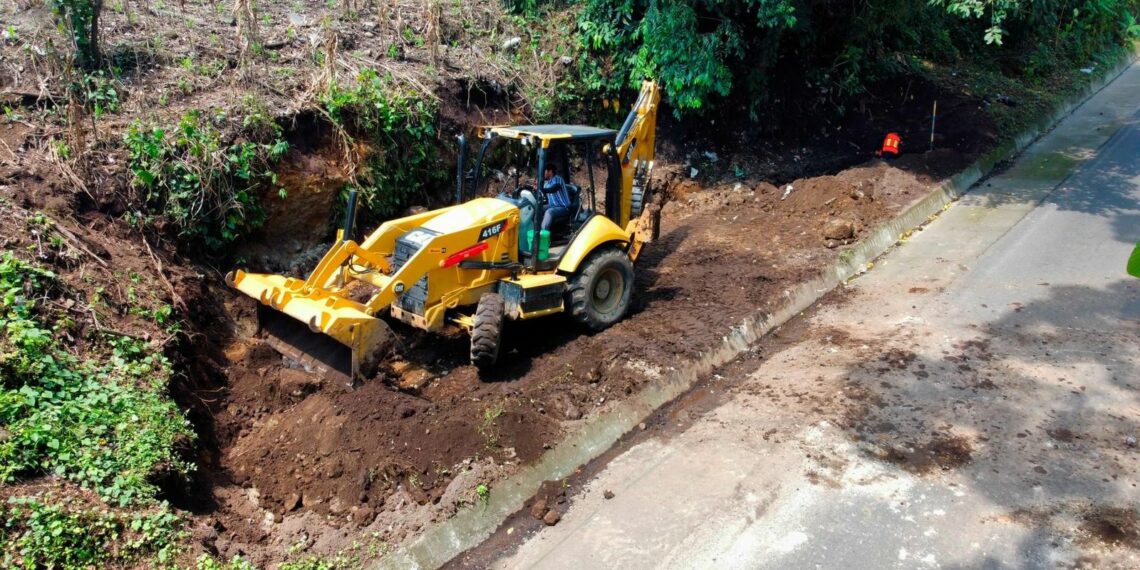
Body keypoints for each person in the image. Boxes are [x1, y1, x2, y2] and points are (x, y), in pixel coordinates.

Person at [540, 165, 573, 231]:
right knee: (538, 208)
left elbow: (553, 189)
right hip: (553, 205)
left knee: (549, 212)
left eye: (545, 171)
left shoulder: (558, 179)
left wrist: (542, 189)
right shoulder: (547, 183)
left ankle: (543, 236)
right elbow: (542, 192)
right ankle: (535, 230)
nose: (544, 173)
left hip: (564, 207)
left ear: (550, 172)